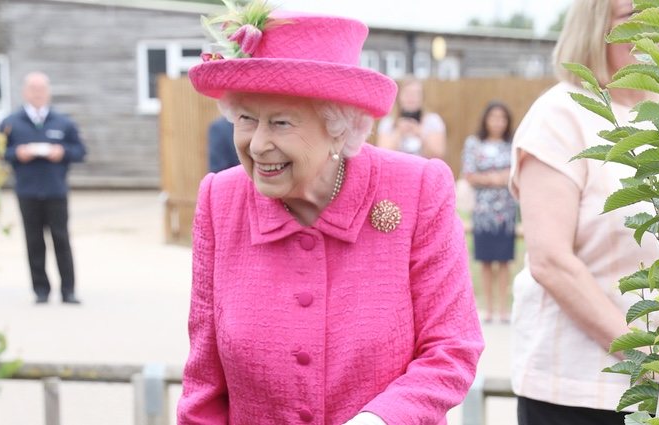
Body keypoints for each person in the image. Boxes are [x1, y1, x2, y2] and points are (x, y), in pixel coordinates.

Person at [177, 3, 484, 424]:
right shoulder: (220, 201)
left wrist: (380, 419)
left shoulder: (417, 190)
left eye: (281, 123)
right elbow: (203, 386)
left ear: (338, 127)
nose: (257, 143)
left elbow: (452, 348)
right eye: (246, 118)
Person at [509, 0, 659, 423]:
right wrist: (657, 359)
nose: (654, 30)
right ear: (597, 27)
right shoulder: (561, 116)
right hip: (580, 393)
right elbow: (551, 262)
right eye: (634, 18)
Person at [0, 72, 86, 305]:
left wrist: (63, 152)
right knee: (33, 240)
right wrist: (16, 154)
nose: (37, 93)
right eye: (33, 89)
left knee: (61, 238)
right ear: (24, 92)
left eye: (41, 89)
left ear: (48, 92)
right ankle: (41, 290)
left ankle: (68, 290)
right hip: (27, 191)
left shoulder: (63, 122)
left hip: (55, 190)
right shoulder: (11, 122)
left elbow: (80, 151)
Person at [461, 101, 516, 324]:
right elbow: (469, 174)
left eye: (502, 118)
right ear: (485, 119)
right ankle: (488, 308)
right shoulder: (474, 143)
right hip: (483, 212)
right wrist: (495, 179)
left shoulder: (511, 144)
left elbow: (514, 173)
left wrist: (493, 178)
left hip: (506, 211)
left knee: (504, 260)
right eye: (493, 117)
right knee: (484, 260)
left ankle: (503, 308)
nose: (497, 122)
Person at [376, 76, 447, 158]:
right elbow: (382, 154)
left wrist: (420, 133)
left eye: (416, 94)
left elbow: (438, 154)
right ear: (399, 97)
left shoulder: (433, 120)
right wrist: (398, 132)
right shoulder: (388, 122)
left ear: (422, 97)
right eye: (407, 93)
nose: (411, 98)